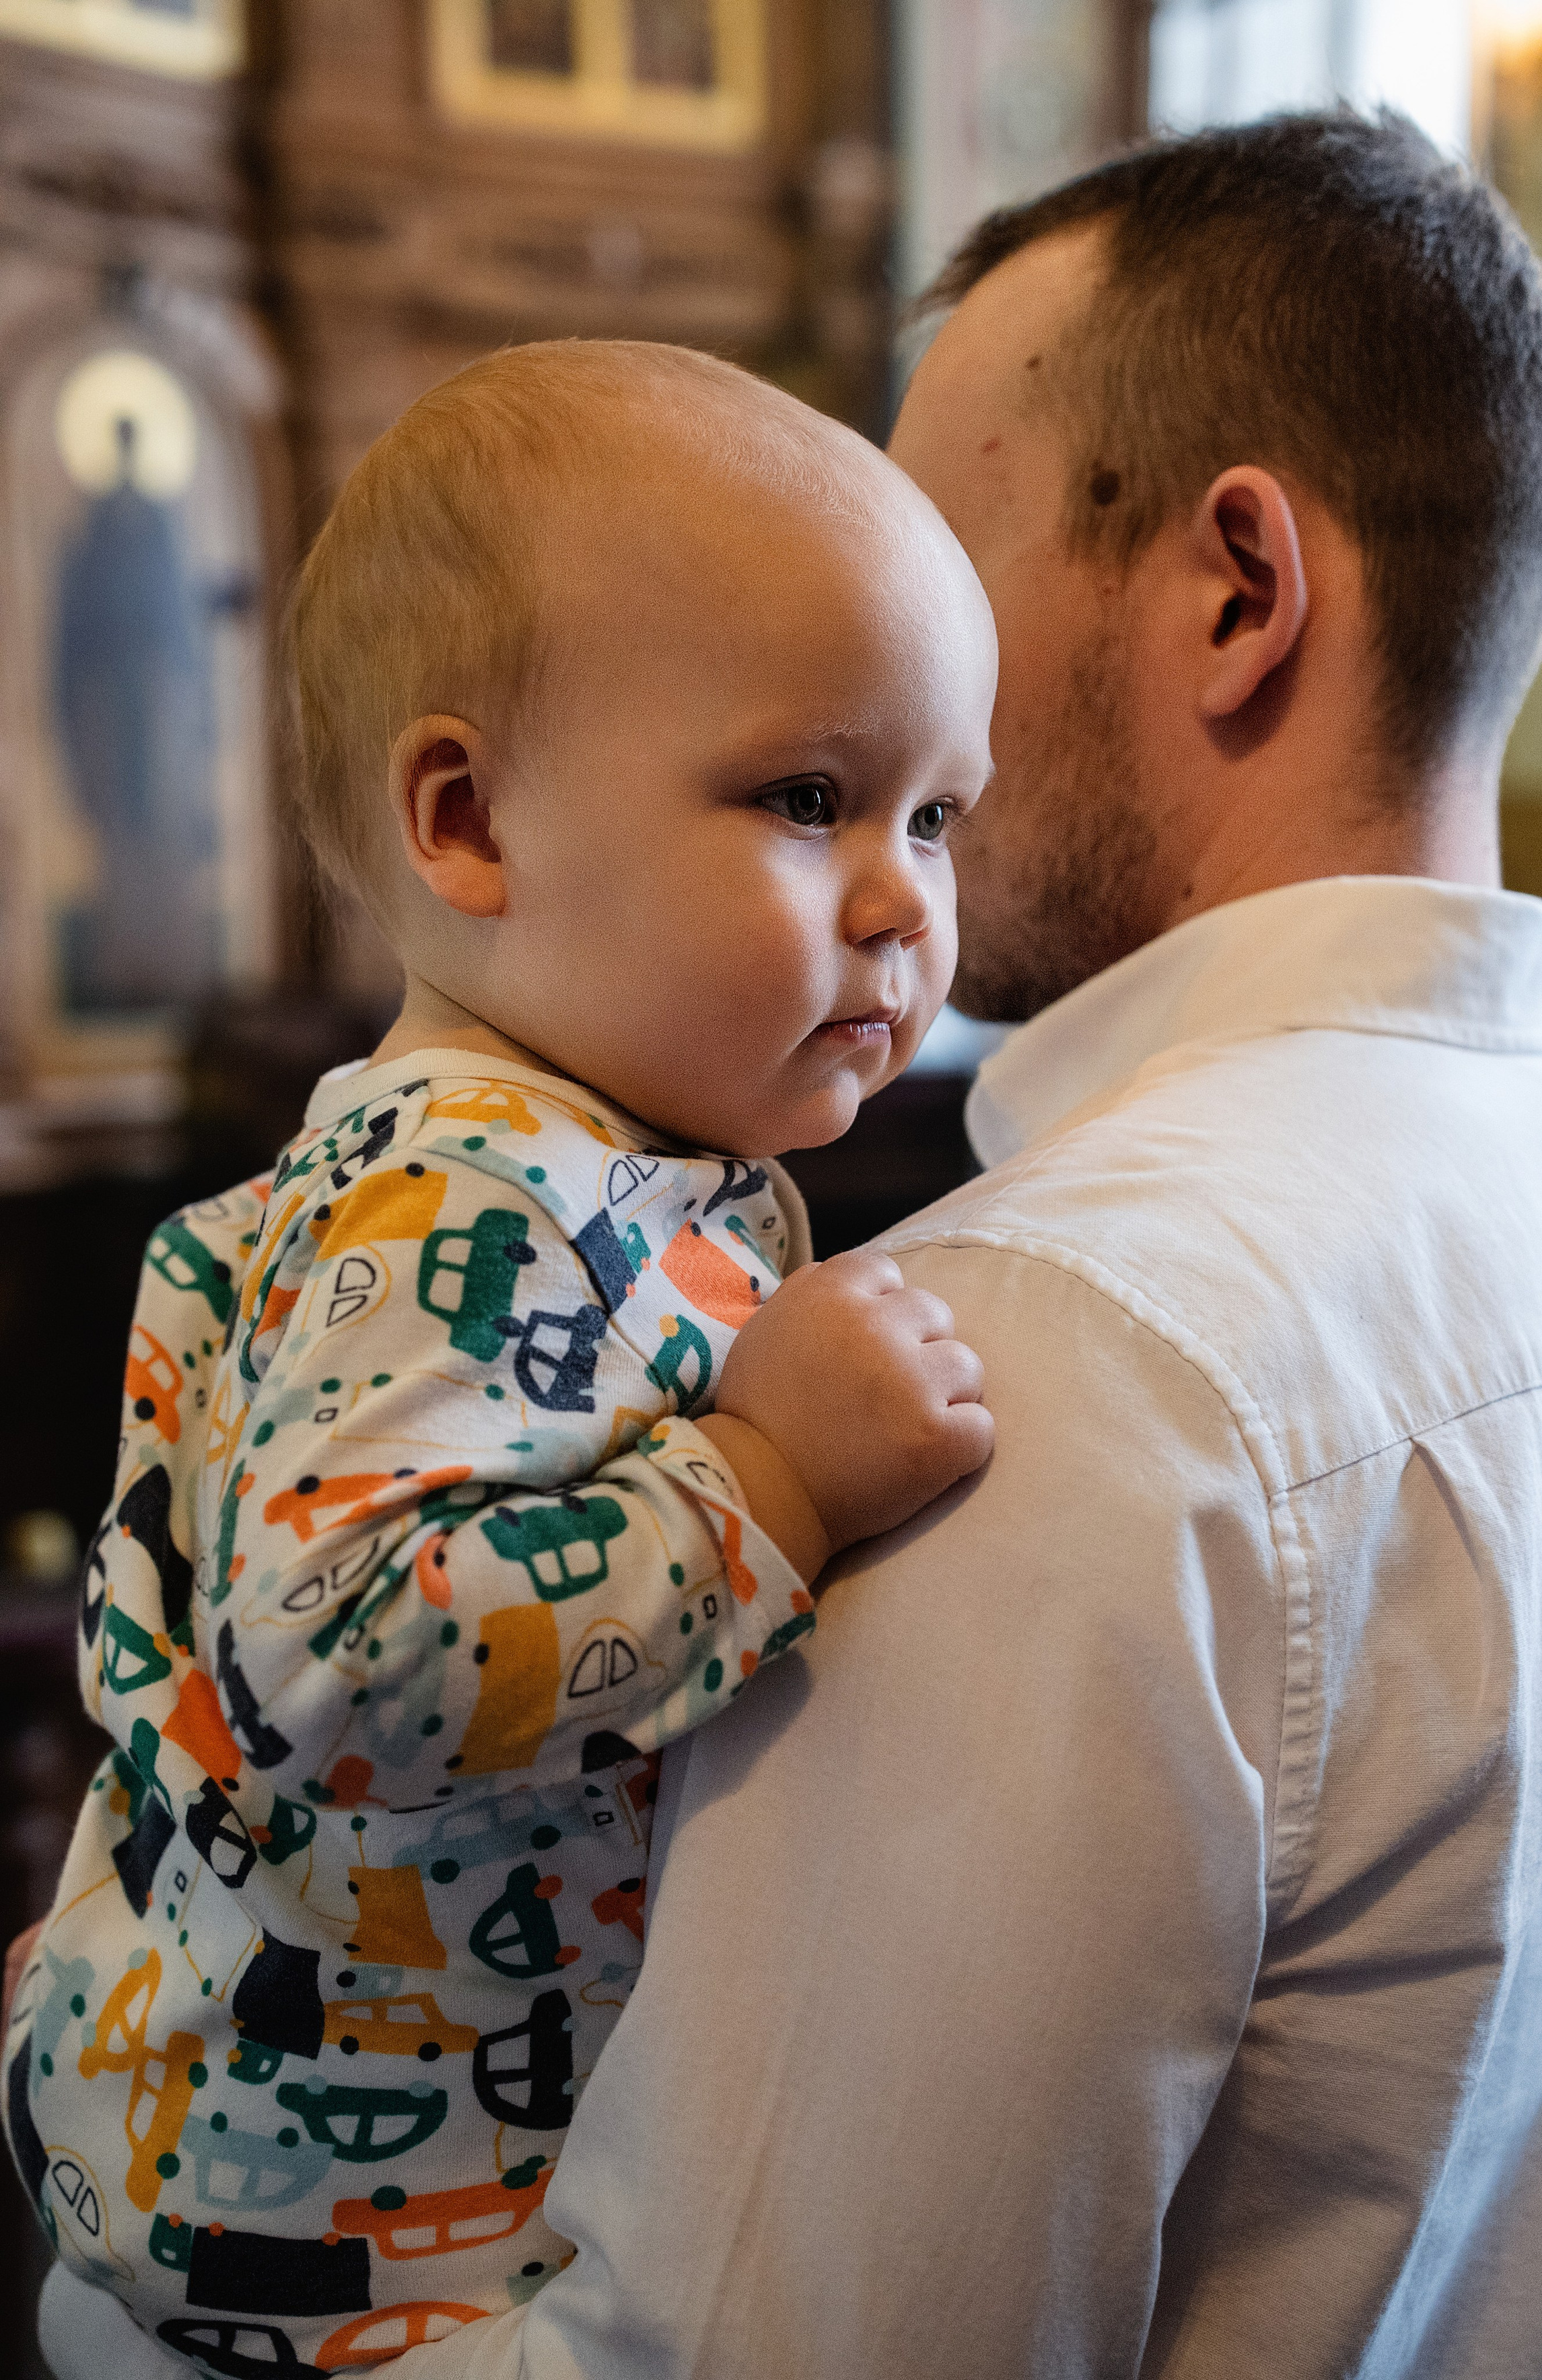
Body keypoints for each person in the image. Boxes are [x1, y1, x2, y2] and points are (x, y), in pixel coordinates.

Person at [255, 110, 1542, 2378]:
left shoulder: (1032, 1346)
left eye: (937, 542)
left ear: (1239, 592)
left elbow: (746, 2345)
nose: (886, 642)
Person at [10, 339, 996, 2373]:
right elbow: (335, 1649)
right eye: (811, 798)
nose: (907, 897)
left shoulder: (592, 1158)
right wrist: (769, 1486)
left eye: (941, 812)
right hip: (343, 2269)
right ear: (467, 821)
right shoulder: (472, 1200)